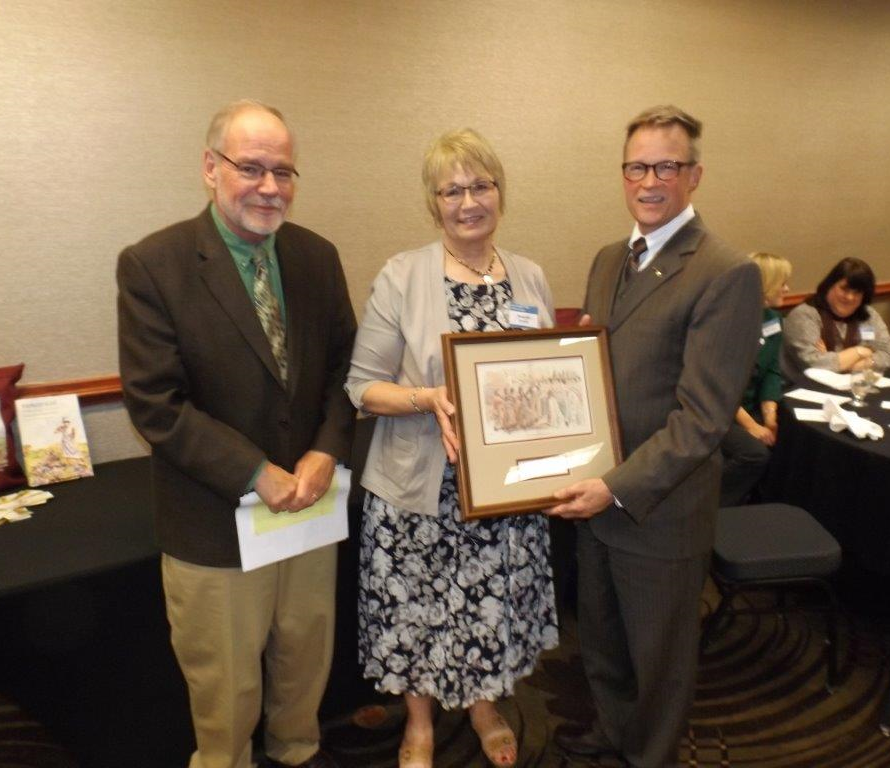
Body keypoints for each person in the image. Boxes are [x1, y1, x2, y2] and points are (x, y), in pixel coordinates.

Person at [117, 100, 356, 768]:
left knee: (304, 664)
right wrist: (255, 473)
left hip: (308, 512)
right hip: (215, 522)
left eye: (283, 171)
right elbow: (156, 405)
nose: (270, 187)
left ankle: (298, 753)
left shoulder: (317, 257)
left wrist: (326, 448)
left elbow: (347, 370)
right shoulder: (153, 265)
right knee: (226, 694)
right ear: (209, 167)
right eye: (251, 168)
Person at [547, 105, 762, 768]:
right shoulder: (608, 259)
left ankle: (651, 755)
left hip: (658, 508)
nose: (649, 181)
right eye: (636, 166)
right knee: (603, 638)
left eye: (666, 166)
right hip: (595, 494)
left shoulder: (725, 271)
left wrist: (613, 488)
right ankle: (613, 731)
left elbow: (704, 418)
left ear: (694, 175)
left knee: (659, 659)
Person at [346, 128, 558, 768]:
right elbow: (362, 386)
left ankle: (485, 708)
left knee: (490, 605)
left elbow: (550, 373)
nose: (469, 202)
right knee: (417, 610)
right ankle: (418, 724)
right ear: (433, 202)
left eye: (481, 186)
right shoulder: (402, 275)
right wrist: (428, 398)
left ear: (500, 193)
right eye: (452, 190)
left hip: (503, 491)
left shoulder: (529, 275)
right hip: (419, 487)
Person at [719, 252, 792, 507]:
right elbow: (720, 384)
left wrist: (770, 416)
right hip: (720, 412)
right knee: (755, 454)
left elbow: (772, 371)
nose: (787, 288)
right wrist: (751, 425)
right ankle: (712, 507)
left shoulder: (773, 320)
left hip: (751, 407)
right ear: (765, 284)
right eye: (782, 282)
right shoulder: (727, 322)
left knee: (790, 439)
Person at [781, 257, 890, 380]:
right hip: (808, 387)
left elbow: (889, 355)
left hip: (857, 384)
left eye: (857, 292)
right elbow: (813, 364)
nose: (850, 297)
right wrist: (861, 351)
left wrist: (850, 365)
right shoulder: (805, 315)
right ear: (829, 285)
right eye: (844, 289)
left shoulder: (868, 315)